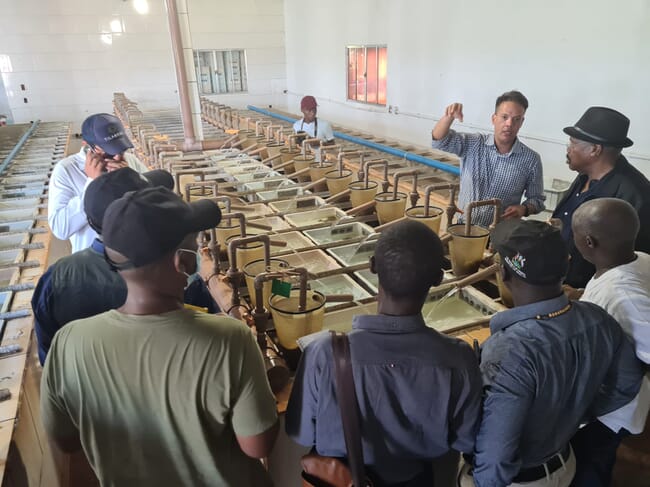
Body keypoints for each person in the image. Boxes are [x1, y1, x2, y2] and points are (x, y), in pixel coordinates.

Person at [41, 187, 279, 487]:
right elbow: (257, 445)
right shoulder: (230, 339)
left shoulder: (68, 343)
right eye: (196, 248)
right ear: (183, 262)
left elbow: (65, 440)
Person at [286, 220, 483, 486]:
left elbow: (301, 434)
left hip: (341, 479)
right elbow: (465, 439)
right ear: (438, 279)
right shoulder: (458, 359)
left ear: (372, 266)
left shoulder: (323, 353)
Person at [460, 219, 643, 487]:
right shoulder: (597, 319)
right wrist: (577, 411)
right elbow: (627, 383)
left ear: (505, 276)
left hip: (519, 480)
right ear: (566, 266)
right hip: (564, 463)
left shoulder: (510, 350)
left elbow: (496, 455)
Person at [32, 167, 175, 365]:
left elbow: (49, 355)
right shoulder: (172, 269)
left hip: (84, 388)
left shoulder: (56, 277)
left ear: (90, 222)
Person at [570, 198, 650, 487]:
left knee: (590, 465)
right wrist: (582, 296)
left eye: (575, 235)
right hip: (614, 397)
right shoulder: (639, 258)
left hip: (611, 410)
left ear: (588, 241)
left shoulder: (625, 294)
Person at [553, 106, 650, 288]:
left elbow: (632, 265)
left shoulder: (634, 195)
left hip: (589, 295)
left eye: (573, 143)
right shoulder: (585, 175)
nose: (569, 149)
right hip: (558, 282)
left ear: (595, 150)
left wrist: (585, 292)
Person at [431, 90, 545, 227]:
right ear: (494, 118)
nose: (509, 124)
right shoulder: (474, 143)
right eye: (504, 117)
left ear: (521, 122)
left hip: (500, 235)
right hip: (464, 227)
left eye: (516, 119)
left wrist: (524, 209)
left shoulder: (531, 160)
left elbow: (537, 199)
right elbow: (439, 141)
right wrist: (448, 117)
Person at [48, 113, 149, 253]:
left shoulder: (130, 161)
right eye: (109, 152)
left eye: (121, 149)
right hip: (95, 261)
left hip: (137, 253)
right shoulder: (66, 170)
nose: (118, 156)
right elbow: (60, 228)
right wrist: (92, 184)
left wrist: (132, 179)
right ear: (87, 144)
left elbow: (155, 200)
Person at [293, 95, 335, 162]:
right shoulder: (297, 125)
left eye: (314, 109)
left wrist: (319, 143)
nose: (312, 113)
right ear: (302, 110)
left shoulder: (325, 125)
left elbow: (333, 146)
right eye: (309, 110)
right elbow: (295, 146)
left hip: (319, 163)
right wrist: (297, 142)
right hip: (303, 162)